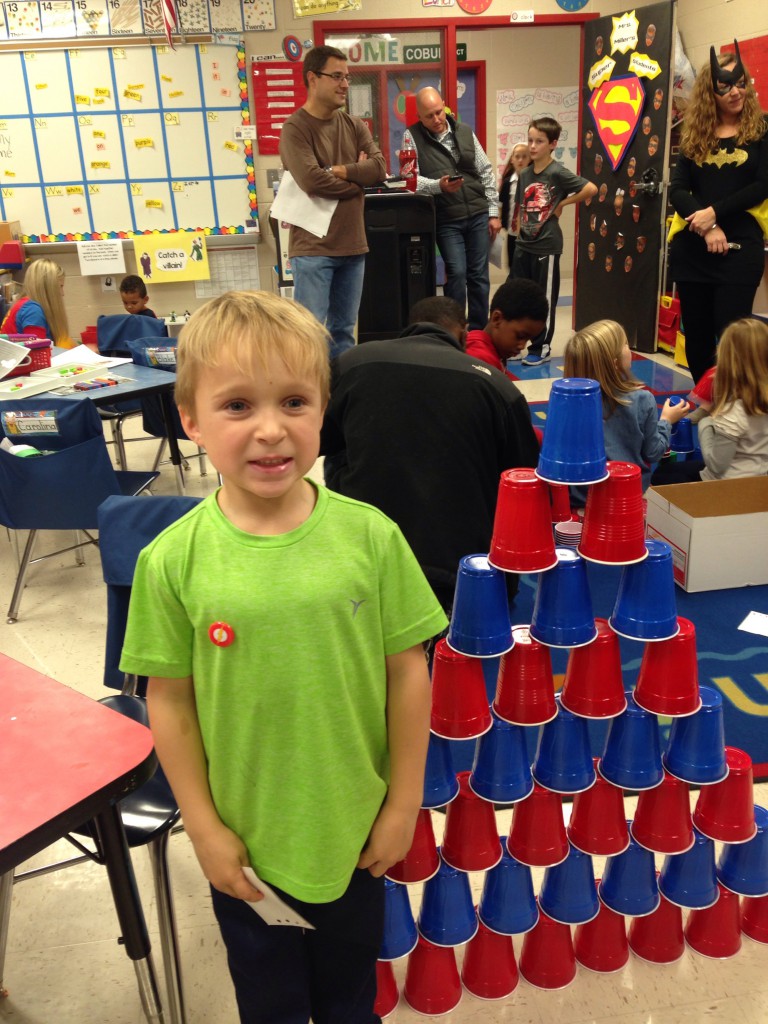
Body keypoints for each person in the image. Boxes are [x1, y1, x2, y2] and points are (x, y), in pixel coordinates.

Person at [119, 290, 446, 1024]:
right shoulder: (171, 561)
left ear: (323, 410)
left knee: (349, 1001)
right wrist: (204, 828)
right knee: (269, 1005)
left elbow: (408, 672)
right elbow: (168, 701)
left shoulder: (372, 537)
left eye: (295, 402)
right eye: (238, 405)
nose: (271, 430)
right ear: (190, 419)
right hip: (246, 848)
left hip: (353, 835)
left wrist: (403, 803)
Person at [321, 295, 540, 612]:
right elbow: (525, 480)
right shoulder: (498, 387)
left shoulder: (352, 363)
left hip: (367, 557)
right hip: (463, 571)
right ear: (463, 335)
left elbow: (314, 443)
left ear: (410, 328)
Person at [668, 41, 768, 384]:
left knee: (732, 339)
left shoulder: (762, 130)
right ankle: (705, 400)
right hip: (693, 247)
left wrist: (714, 213)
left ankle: (732, 403)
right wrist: (707, 227)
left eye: (741, 84)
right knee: (697, 340)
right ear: (710, 92)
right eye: (725, 86)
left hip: (741, 247)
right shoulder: (694, 133)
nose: (735, 92)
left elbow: (762, 185)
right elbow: (678, 190)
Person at [279, 46, 387, 360]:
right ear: (313, 78)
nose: (345, 84)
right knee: (310, 336)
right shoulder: (295, 128)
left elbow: (379, 169)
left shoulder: (354, 125)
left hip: (353, 247)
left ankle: (341, 390)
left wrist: (340, 170)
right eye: (337, 76)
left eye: (347, 77)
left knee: (344, 333)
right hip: (313, 250)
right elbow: (312, 180)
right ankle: (313, 392)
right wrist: (357, 181)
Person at [401, 87, 501, 331]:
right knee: (456, 273)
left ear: (444, 105)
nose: (436, 119)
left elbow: (486, 171)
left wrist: (493, 212)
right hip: (447, 218)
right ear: (419, 116)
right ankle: (455, 331)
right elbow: (410, 179)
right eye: (429, 116)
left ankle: (478, 332)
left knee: (479, 275)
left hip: (478, 212)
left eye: (439, 112)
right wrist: (439, 186)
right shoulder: (410, 137)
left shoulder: (465, 131)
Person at [563, 319, 690, 505]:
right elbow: (653, 452)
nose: (629, 348)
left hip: (579, 498)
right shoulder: (641, 400)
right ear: (615, 363)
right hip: (626, 496)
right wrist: (666, 421)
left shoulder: (567, 403)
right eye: (625, 344)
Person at [511, 116, 597, 366]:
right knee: (519, 296)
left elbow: (590, 188)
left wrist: (563, 203)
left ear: (552, 144)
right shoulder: (525, 174)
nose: (532, 146)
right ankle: (517, 342)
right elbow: (522, 207)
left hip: (546, 246)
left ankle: (541, 346)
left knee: (544, 298)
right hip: (524, 245)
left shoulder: (557, 172)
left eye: (539, 141)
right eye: (530, 140)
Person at [651, 317, 768, 484]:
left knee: (662, 475)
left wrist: (706, 423)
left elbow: (715, 466)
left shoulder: (734, 413)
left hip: (727, 485)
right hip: (761, 480)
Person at [465, 279, 549, 379]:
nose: (522, 346)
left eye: (528, 340)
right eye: (520, 336)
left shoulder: (491, 350)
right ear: (497, 319)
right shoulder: (480, 359)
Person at [1, 257, 73, 347]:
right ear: (48, 287)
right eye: (60, 286)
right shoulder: (33, 310)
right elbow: (38, 351)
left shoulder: (25, 304)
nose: (62, 293)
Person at [499, 142, 531, 271]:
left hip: (529, 233)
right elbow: (500, 204)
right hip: (512, 231)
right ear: (512, 159)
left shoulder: (533, 181)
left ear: (530, 159)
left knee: (527, 266)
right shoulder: (507, 182)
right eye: (517, 156)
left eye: (524, 156)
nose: (520, 160)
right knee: (512, 266)